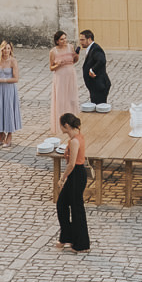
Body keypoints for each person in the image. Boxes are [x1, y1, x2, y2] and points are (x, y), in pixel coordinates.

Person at [54, 113, 90, 252]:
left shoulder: (75, 140)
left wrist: (62, 178)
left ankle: (81, 244)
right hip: (76, 175)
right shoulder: (76, 136)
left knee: (76, 209)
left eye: (61, 125)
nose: (60, 128)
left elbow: (72, 164)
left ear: (66, 126)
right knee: (62, 204)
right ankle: (67, 236)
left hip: (76, 175)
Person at [0, 41, 22, 147]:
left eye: (8, 48)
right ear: (1, 49)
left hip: (9, 89)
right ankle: (1, 133)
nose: (6, 51)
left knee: (8, 110)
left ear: (11, 50)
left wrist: (1, 80)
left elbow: (16, 78)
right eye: (4, 48)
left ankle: (9, 134)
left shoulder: (13, 61)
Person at [49, 31, 80, 135]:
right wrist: (58, 65)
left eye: (65, 38)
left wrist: (77, 55)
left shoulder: (70, 47)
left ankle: (73, 122)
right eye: (62, 39)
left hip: (71, 75)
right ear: (57, 41)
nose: (64, 41)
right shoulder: (53, 52)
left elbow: (74, 60)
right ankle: (61, 124)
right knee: (61, 99)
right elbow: (51, 67)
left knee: (72, 98)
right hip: (60, 77)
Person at [79, 30, 111, 105]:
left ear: (89, 39)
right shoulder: (91, 48)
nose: (81, 42)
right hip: (95, 86)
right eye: (80, 40)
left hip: (99, 86)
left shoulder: (96, 49)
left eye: (83, 40)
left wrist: (92, 70)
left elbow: (101, 60)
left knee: (99, 107)